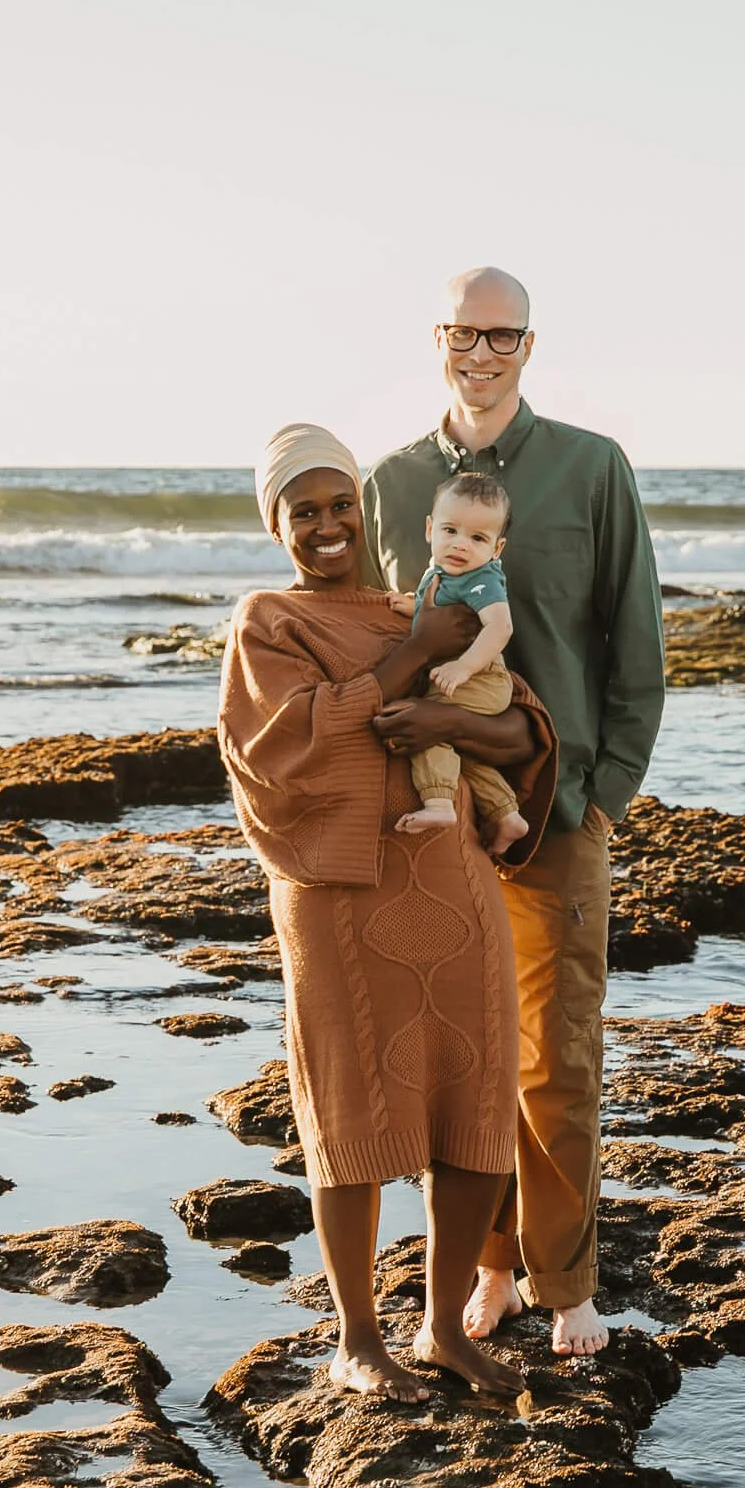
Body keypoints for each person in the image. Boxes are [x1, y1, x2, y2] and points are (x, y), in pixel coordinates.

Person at [218, 422, 559, 1401]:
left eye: (341, 504)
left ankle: (445, 1329)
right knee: (352, 1110)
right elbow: (279, 748)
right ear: (277, 524)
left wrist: (443, 709)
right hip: (341, 897)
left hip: (454, 882)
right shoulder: (269, 621)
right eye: (304, 511)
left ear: (364, 509)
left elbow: (521, 728)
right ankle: (357, 1340)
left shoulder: (425, 600)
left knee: (475, 1103)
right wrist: (411, 659)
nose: (327, 525)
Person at [363, 267, 665, 1358]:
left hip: (559, 814)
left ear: (529, 345)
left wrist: (606, 795)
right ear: (438, 336)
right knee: (459, 1058)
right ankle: (486, 1268)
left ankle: (566, 1280)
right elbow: (372, 640)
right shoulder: (389, 482)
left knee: (556, 1056)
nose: (481, 353)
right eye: (465, 332)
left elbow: (636, 638)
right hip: (438, 814)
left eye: (502, 335)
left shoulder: (592, 466)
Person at [385, 471, 528, 855]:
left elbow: (500, 626)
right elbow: (441, 603)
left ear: (497, 548)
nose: (460, 544)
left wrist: (463, 667)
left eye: (478, 538)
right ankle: (507, 814)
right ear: (430, 529)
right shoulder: (444, 570)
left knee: (428, 728)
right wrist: (412, 605)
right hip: (467, 677)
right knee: (459, 750)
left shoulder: (482, 580)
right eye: (450, 530)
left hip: (480, 677)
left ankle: (438, 805)